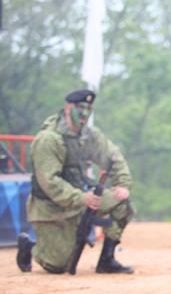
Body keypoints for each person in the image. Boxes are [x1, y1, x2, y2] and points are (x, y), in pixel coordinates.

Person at [15, 89, 135, 274]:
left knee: (122, 204)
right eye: (80, 108)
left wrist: (123, 184)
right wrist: (81, 198)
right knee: (57, 266)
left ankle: (106, 261)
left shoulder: (88, 135)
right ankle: (30, 246)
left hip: (80, 200)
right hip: (51, 208)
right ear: (67, 108)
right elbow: (49, 182)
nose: (84, 114)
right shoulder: (49, 139)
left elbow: (113, 156)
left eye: (88, 109)